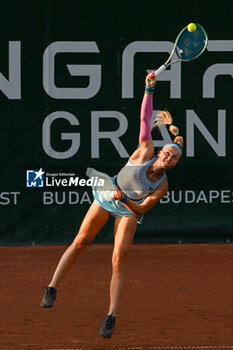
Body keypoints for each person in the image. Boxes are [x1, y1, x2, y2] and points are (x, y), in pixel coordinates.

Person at [41, 71, 183, 338]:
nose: (168, 158)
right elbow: (144, 119)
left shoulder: (162, 186)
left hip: (128, 209)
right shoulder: (144, 152)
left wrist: (127, 199)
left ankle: (111, 316)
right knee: (81, 241)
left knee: (119, 260)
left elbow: (140, 209)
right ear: (161, 151)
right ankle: (52, 287)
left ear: (175, 164)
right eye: (167, 153)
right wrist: (148, 89)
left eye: (174, 158)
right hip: (107, 195)